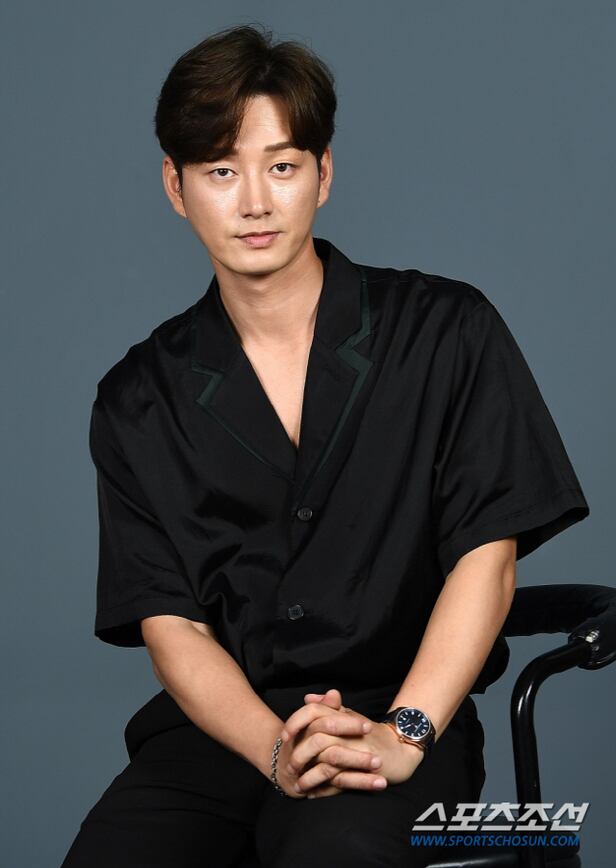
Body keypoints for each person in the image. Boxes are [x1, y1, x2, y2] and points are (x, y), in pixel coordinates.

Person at [60, 22, 590, 868]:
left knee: (333, 853)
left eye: (282, 166)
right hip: (223, 736)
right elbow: (172, 626)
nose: (254, 202)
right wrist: (276, 750)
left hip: (406, 714)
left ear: (324, 174)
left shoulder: (445, 332)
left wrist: (404, 733)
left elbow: (486, 559)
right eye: (221, 170)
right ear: (175, 186)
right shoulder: (138, 400)